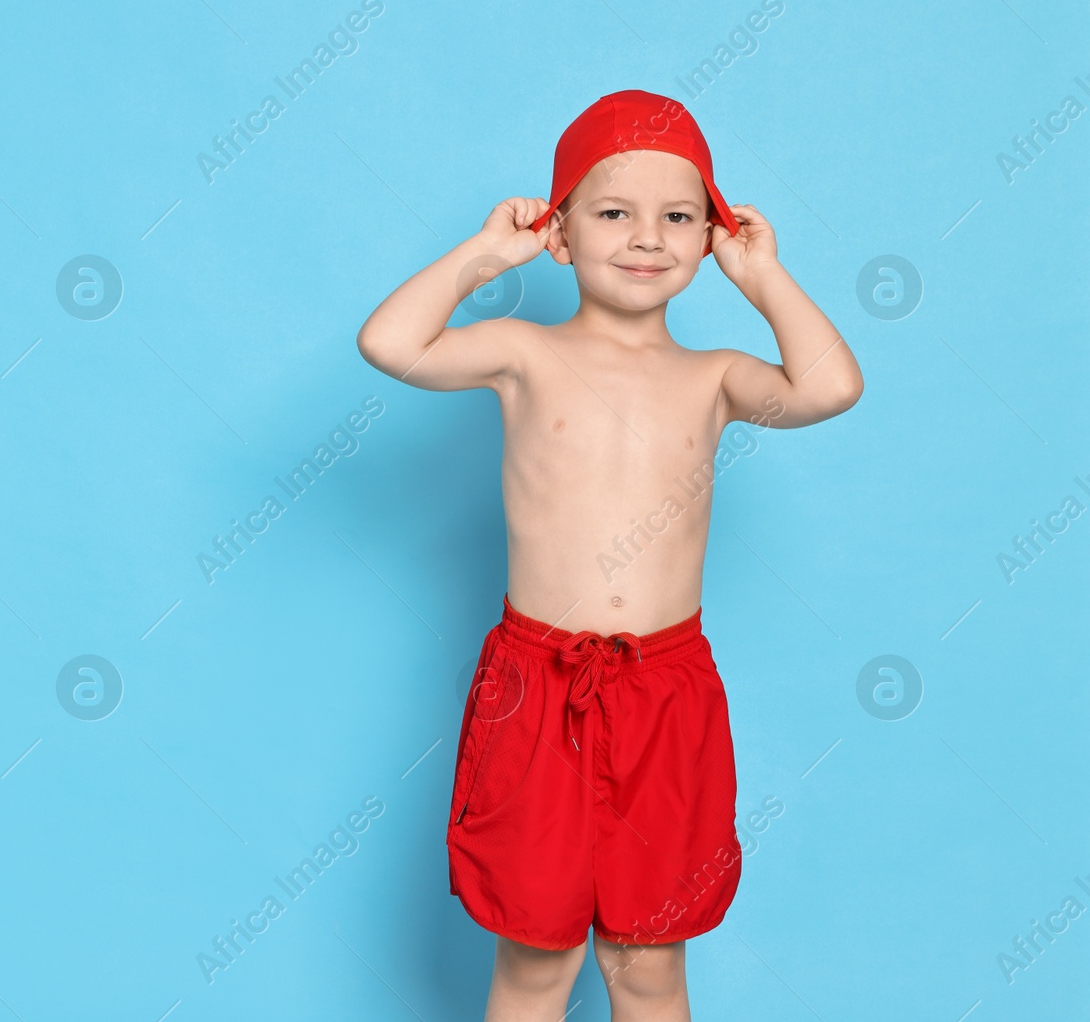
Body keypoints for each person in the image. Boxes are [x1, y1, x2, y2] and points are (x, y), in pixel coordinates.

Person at [355, 90, 863, 1021]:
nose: (647, 237)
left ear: (710, 236)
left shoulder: (712, 376)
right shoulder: (521, 352)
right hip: (537, 687)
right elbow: (390, 342)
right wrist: (483, 256)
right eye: (614, 213)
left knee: (648, 968)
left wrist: (764, 278)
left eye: (679, 217)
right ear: (560, 234)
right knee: (537, 966)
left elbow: (830, 386)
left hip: (665, 696)